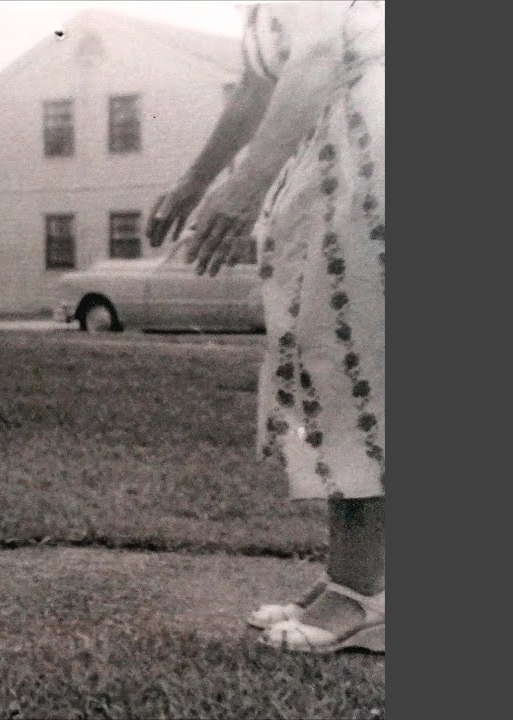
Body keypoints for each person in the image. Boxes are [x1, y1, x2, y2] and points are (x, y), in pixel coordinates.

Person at [147, 1, 384, 653]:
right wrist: (198, 181)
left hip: (368, 163)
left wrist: (245, 188)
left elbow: (317, 57)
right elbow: (257, 88)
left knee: (351, 368)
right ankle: (355, 578)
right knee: (329, 364)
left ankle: (362, 594)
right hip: (333, 164)